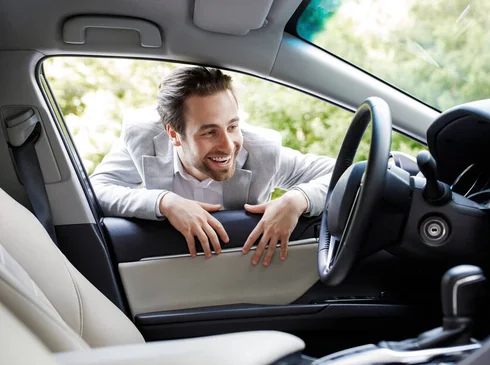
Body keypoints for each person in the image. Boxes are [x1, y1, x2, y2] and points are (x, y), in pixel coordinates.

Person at [90, 66, 335, 266]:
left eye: (232, 126)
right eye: (209, 132)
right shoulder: (142, 138)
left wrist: (296, 199)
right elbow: (97, 189)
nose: (228, 146)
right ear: (174, 135)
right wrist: (165, 202)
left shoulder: (262, 150)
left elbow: (344, 174)